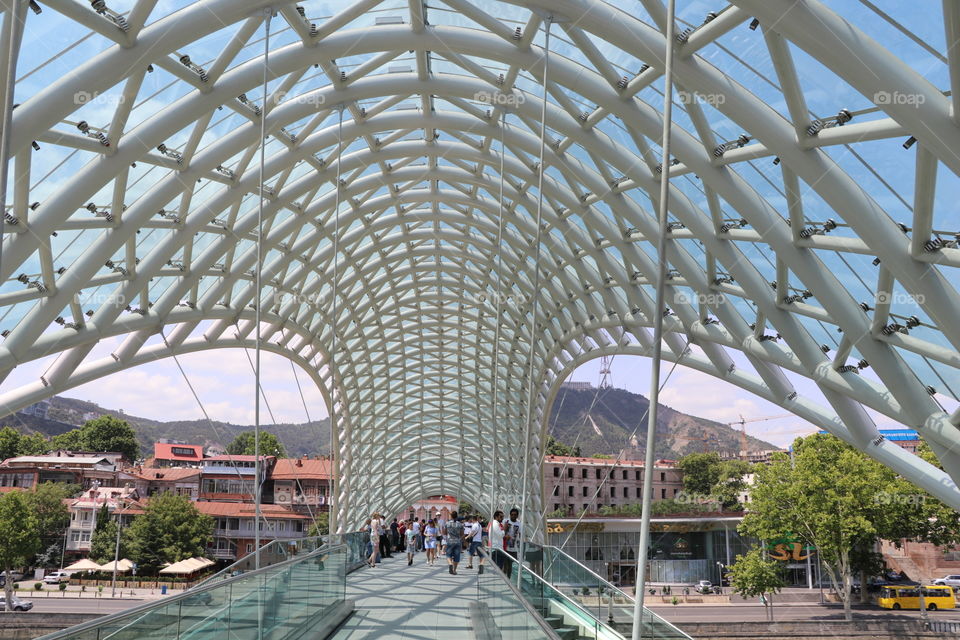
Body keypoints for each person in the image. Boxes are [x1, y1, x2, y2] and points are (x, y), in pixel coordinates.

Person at [444, 510, 464, 575]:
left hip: (450, 540)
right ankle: (454, 570)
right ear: (456, 516)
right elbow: (462, 534)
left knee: (448, 555)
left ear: (451, 516)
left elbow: (445, 532)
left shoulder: (447, 523)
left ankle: (450, 564)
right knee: (457, 557)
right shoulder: (460, 524)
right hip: (457, 541)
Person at [503, 508, 521, 578]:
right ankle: (504, 579)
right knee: (505, 565)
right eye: (512, 514)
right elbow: (501, 532)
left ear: (517, 516)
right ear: (510, 515)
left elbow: (521, 535)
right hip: (505, 547)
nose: (513, 516)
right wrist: (505, 528)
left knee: (510, 566)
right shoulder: (505, 521)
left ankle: (508, 579)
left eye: (515, 515)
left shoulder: (519, 524)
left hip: (514, 548)